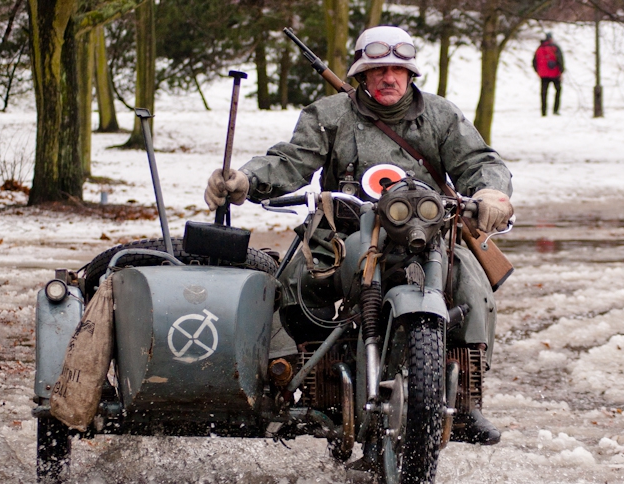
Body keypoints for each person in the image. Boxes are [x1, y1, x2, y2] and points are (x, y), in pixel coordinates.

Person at [204, 26, 513, 446]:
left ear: (410, 75)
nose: (389, 78)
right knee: (291, 285)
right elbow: (290, 160)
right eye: (378, 69)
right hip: (342, 231)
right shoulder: (329, 115)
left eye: (398, 70)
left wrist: (491, 192)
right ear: (361, 75)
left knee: (474, 292)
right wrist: (247, 178)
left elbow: (480, 161)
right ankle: (294, 383)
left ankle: (465, 400)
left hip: (429, 232)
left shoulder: (441, 116)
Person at [533, 32, 564, 116]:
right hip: (555, 73)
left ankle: (543, 111)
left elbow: (534, 62)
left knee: (543, 93)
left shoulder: (539, 48)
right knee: (558, 90)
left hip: (543, 75)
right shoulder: (555, 47)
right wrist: (561, 71)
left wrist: (538, 71)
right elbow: (560, 60)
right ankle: (555, 110)